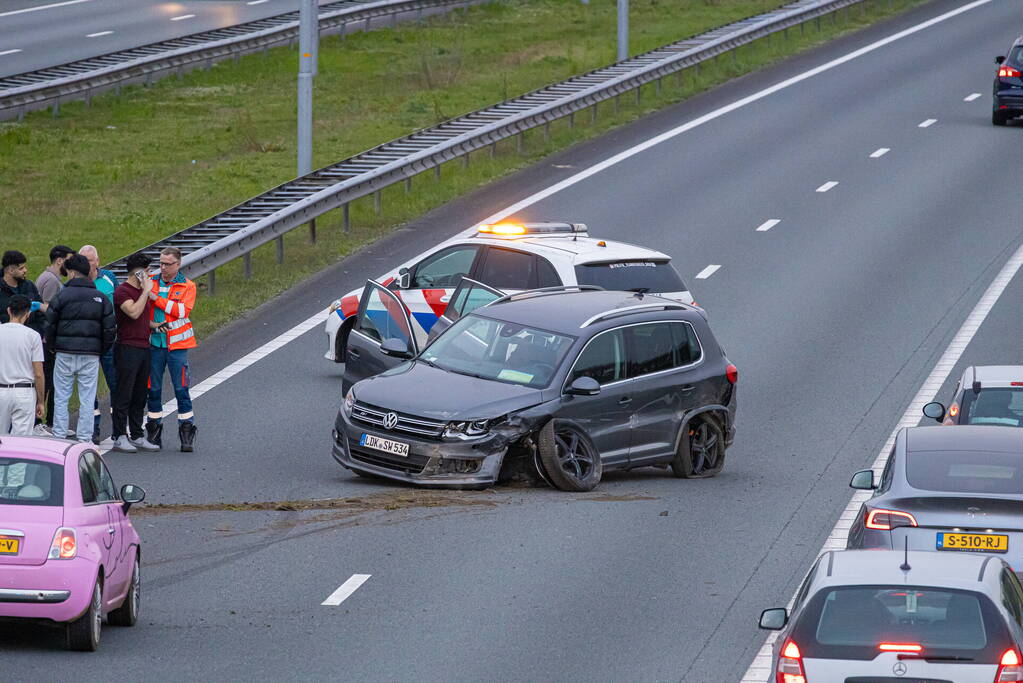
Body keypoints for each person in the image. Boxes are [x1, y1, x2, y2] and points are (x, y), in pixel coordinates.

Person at [45, 254, 116, 444]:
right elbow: (110, 329)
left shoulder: (61, 296)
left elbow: (49, 325)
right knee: (87, 398)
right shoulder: (100, 298)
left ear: (73, 273)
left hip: (64, 353)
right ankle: (85, 440)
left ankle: (59, 437)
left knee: (61, 397)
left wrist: (53, 347)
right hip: (91, 354)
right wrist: (100, 349)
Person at [146, 247, 198, 452]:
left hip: (177, 347)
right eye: (161, 263)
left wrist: (155, 298)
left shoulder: (188, 286)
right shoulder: (151, 280)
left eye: (167, 264)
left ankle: (186, 432)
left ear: (178, 264)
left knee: (181, 390)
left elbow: (181, 311)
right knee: (153, 389)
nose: (163, 268)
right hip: (154, 345)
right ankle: (154, 431)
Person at [111, 254, 159, 453]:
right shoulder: (123, 291)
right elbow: (133, 312)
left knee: (140, 393)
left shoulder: (141, 291)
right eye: (147, 271)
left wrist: (155, 326)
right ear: (139, 273)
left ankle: (137, 435)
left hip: (144, 347)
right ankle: (120, 435)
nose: (150, 275)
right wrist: (146, 291)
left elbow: (141, 319)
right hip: (126, 348)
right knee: (125, 393)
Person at [80, 245, 118, 445]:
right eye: (83, 260)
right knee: (89, 388)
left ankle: (119, 429)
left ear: (98, 261)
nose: (87, 264)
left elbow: (121, 303)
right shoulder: (76, 282)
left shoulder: (109, 278)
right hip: (88, 343)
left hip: (110, 341)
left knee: (115, 384)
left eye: (90, 260)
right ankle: (92, 428)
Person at [34, 245, 73, 433]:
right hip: (45, 340)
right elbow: (48, 308)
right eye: (68, 260)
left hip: (47, 338)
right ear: (59, 260)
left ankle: (50, 423)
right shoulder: (51, 280)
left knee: (52, 381)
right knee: (48, 381)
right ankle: (42, 424)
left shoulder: (52, 278)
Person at [0, 295, 45, 436]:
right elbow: (38, 373)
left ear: (8, 310)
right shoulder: (33, 336)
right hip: (24, 392)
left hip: (1, 389)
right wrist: (41, 401)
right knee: (21, 441)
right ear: (28, 314)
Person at [0, 250, 46, 337]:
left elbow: (40, 315)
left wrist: (41, 333)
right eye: (21, 268)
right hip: (6, 341)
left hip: (30, 339)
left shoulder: (30, 285)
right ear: (11, 270)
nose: (25, 270)